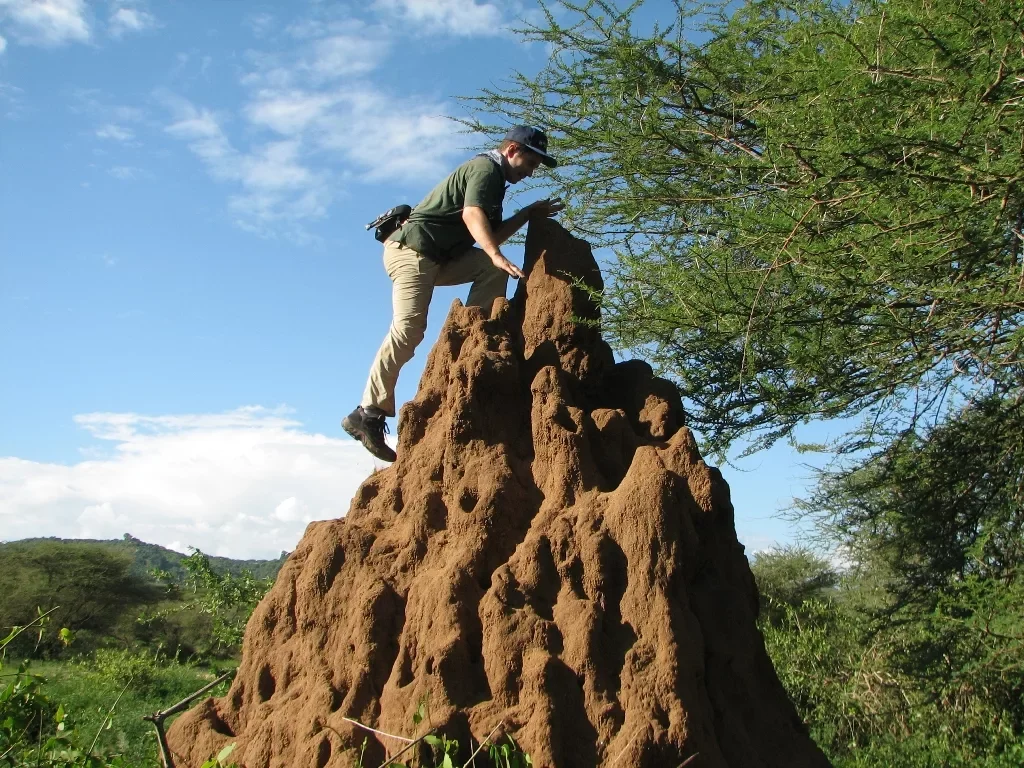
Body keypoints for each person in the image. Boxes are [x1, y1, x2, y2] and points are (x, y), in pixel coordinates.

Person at [343, 126, 565, 462]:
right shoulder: (485, 169)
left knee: (491, 269)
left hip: (438, 259)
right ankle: (367, 412)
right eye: (530, 162)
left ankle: (473, 341)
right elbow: (471, 214)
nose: (530, 171)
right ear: (511, 150)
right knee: (409, 329)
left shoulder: (496, 183)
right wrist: (493, 252)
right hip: (412, 252)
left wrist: (525, 215)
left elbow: (491, 232)